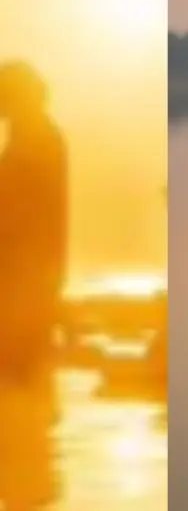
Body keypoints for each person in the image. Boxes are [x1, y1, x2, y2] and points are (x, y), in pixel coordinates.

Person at [0, 60, 68, 381]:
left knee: (21, 369)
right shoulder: (34, 135)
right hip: (32, 270)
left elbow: (18, 207)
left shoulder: (36, 139)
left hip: (27, 271)